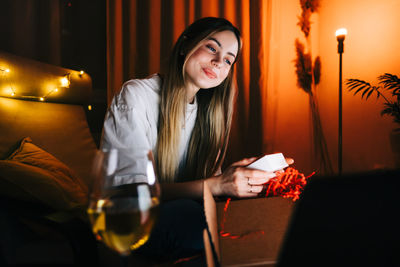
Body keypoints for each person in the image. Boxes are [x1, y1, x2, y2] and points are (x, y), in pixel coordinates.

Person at [101, 17, 293, 262]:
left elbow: (208, 186)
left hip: (182, 215)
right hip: (129, 222)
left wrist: (236, 179)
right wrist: (215, 185)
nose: (217, 62)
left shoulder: (210, 113)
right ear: (185, 46)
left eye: (227, 60)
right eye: (212, 48)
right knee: (195, 219)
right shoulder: (137, 96)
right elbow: (131, 194)